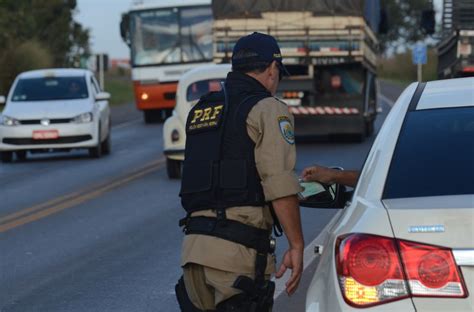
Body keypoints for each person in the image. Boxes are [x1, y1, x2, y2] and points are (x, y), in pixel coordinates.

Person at [176, 32, 304, 311]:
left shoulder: (203, 108)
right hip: (236, 256)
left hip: (193, 254)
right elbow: (279, 184)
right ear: (272, 69)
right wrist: (296, 245)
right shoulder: (268, 109)